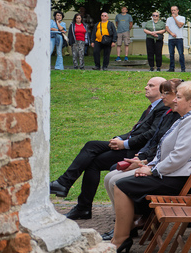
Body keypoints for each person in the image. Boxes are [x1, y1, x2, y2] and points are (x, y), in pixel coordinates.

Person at [111, 81, 191, 253]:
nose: (174, 101)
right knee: (123, 183)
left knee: (122, 186)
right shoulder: (185, 118)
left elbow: (178, 157)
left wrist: (152, 170)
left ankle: (120, 240)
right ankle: (122, 236)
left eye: (179, 97)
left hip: (180, 180)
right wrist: (148, 164)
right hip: (173, 175)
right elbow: (164, 150)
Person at [50, 76, 168, 217]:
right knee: (92, 150)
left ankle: (74, 196)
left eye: (151, 85)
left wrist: (124, 144)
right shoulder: (153, 107)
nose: (146, 87)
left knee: (92, 154)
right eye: (147, 84)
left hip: (138, 152)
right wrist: (120, 138)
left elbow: (151, 135)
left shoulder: (162, 108)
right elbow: (137, 130)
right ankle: (75, 197)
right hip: (131, 145)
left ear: (162, 91)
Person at [101, 79, 182, 215]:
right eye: (162, 93)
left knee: (117, 181)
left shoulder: (183, 119)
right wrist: (143, 156)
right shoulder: (168, 114)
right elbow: (156, 140)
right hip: (153, 161)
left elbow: (174, 153)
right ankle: (121, 222)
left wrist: (147, 164)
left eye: (166, 93)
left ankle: (130, 224)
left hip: (167, 173)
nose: (162, 97)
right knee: (110, 176)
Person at [165, 6, 187, 73]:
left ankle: (183, 68)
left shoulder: (182, 18)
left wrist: (174, 18)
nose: (173, 11)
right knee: (171, 54)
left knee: (181, 53)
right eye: (172, 10)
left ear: (177, 10)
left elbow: (180, 25)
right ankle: (171, 68)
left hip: (179, 38)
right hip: (171, 38)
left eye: (174, 10)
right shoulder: (168, 19)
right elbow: (167, 28)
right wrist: (171, 33)